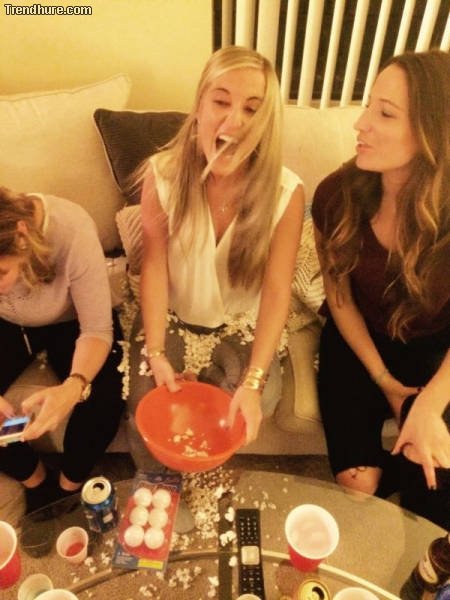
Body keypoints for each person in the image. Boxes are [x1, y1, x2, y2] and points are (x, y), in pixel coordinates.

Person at [129, 45, 304, 461]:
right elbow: (154, 266)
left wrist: (254, 381)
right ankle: (157, 481)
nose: (234, 121)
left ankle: (209, 464)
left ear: (266, 122)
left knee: (246, 408)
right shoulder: (162, 175)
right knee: (148, 405)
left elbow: (277, 290)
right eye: (221, 102)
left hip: (240, 323)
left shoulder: (286, 192)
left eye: (252, 109)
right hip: (173, 315)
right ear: (199, 107)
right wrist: (156, 352)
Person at [312, 49, 449, 528]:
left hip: (435, 352)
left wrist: (428, 404)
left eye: (385, 114)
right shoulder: (335, 194)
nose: (360, 124)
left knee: (432, 489)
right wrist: (383, 379)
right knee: (358, 486)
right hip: (359, 342)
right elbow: (340, 298)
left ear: (433, 131)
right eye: (369, 106)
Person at [0, 186, 125, 513]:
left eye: (0, 273)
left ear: (22, 236)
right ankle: (37, 482)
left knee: (107, 398)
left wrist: (74, 385)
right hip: (7, 325)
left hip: (71, 319)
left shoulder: (71, 229)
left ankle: (68, 487)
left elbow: (96, 329)